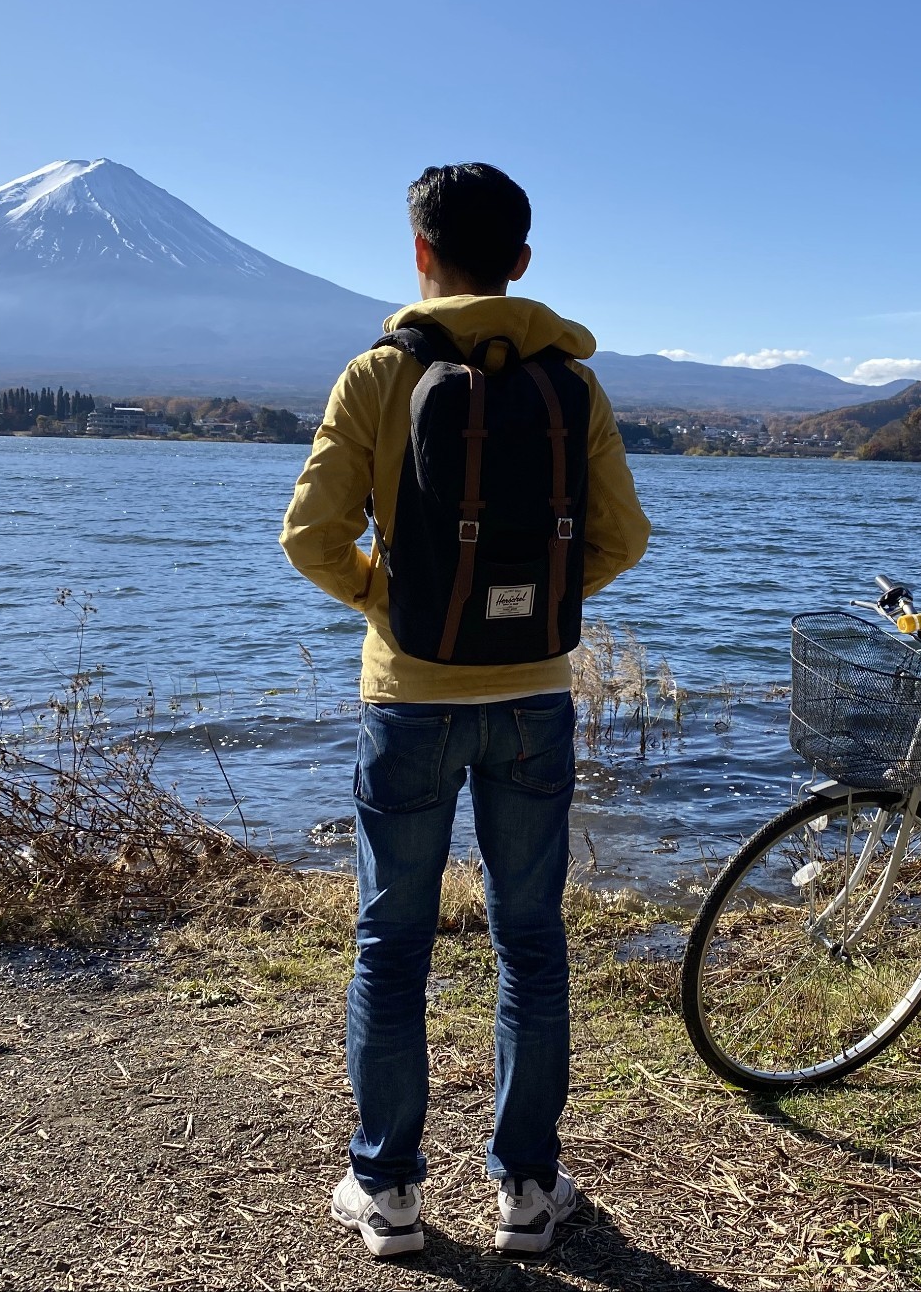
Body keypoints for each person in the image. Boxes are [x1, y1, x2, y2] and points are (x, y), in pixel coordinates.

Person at [282, 162, 651, 1258]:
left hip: (409, 698)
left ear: (418, 253)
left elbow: (309, 538)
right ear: (522, 263)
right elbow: (621, 538)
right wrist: (530, 608)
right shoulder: (572, 385)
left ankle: (387, 1191)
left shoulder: (378, 375)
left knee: (390, 942)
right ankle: (528, 1192)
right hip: (534, 697)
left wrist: (391, 599)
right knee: (529, 943)